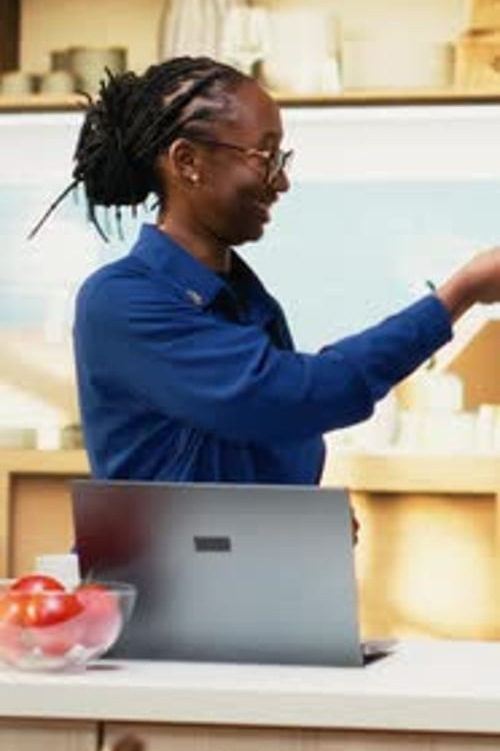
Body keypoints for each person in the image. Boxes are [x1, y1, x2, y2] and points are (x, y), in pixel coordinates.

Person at [30, 56, 500, 485]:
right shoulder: (120, 299)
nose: (281, 181)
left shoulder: (247, 301)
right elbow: (293, 397)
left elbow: (264, 434)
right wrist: (460, 293)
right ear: (186, 161)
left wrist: (293, 513)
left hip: (238, 572)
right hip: (158, 579)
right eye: (265, 156)